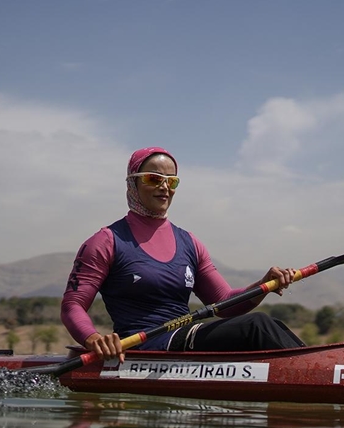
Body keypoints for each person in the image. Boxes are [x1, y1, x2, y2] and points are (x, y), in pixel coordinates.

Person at [61, 146, 304, 362]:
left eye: (172, 181)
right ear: (132, 183)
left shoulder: (190, 242)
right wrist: (93, 339)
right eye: (153, 179)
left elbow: (224, 304)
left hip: (183, 340)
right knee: (257, 325)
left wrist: (262, 286)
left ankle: (319, 367)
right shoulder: (106, 241)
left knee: (272, 326)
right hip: (141, 347)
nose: (164, 187)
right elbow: (73, 305)